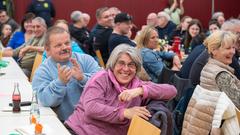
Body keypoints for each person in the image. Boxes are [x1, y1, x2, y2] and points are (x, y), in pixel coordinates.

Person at [65, 44, 177, 135]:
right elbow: (91, 108)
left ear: (136, 68)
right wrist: (125, 113)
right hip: (80, 131)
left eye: (131, 65)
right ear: (113, 65)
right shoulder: (101, 78)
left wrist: (140, 91)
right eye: (121, 63)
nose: (126, 69)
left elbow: (172, 91)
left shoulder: (137, 85)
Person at [32, 26, 101, 121]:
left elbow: (103, 84)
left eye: (67, 43)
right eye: (58, 45)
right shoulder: (43, 70)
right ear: (47, 49)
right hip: (65, 124)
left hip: (94, 120)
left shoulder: (86, 60)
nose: (64, 47)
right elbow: (45, 100)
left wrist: (82, 78)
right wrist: (60, 82)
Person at [189, 19, 240, 85]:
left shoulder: (210, 54)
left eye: (233, 48)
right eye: (238, 33)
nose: (233, 52)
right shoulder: (220, 71)